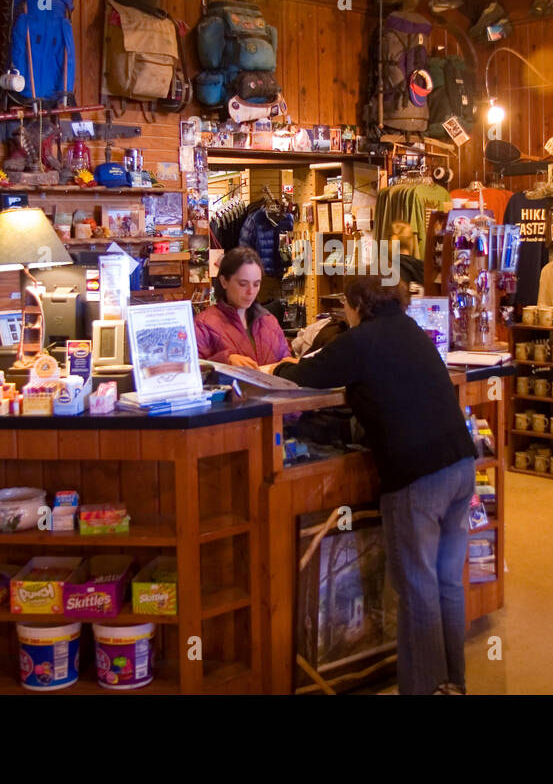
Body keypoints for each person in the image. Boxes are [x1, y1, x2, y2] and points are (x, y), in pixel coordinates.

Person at [269, 275, 476, 694]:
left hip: (417, 475)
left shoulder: (361, 340)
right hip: (459, 463)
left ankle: (424, 689)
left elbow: (305, 373)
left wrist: (276, 366)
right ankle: (453, 683)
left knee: (417, 588)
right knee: (447, 582)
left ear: (355, 304)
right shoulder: (411, 330)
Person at [195, 246, 292, 370]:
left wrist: (290, 365)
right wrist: (225, 361)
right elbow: (193, 372)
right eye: (243, 284)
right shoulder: (203, 324)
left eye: (256, 284)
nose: (251, 291)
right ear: (224, 282)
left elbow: (285, 359)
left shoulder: (269, 321)